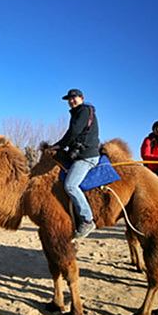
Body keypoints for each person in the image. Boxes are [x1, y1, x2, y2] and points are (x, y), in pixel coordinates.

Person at [41, 88, 100, 239]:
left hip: (86, 156)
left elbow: (73, 132)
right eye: (69, 99)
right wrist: (56, 146)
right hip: (78, 154)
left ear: (81, 98)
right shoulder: (77, 113)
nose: (71, 100)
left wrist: (60, 145)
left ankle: (87, 219)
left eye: (74, 98)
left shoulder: (84, 111)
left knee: (70, 185)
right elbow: (70, 133)